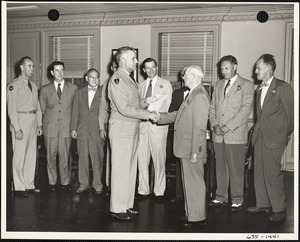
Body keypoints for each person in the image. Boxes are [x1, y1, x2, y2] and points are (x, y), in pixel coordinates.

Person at [107, 46, 158, 221]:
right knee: (121, 170)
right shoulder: (117, 79)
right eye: (133, 58)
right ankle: (118, 207)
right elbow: (124, 108)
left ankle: (126, 204)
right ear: (122, 60)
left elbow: (133, 103)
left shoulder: (128, 79)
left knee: (129, 170)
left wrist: (145, 102)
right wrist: (149, 114)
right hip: (122, 128)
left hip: (131, 128)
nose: (136, 61)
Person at [156, 65, 210, 228]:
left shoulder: (199, 96)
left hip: (191, 148)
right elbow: (178, 114)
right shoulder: (193, 94)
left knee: (195, 183)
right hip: (186, 146)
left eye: (186, 75)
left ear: (194, 77)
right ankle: (191, 213)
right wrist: (158, 117)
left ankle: (197, 217)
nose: (183, 78)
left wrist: (195, 151)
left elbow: (199, 127)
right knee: (189, 183)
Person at [247, 54, 294, 222]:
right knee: (258, 170)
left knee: (272, 172)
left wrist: (284, 135)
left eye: (258, 67)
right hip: (260, 136)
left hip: (275, 137)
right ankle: (263, 203)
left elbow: (291, 116)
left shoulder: (283, 87)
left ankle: (279, 208)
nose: (256, 70)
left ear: (268, 68)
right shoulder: (259, 89)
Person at [209, 55, 254, 212]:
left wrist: (227, 127)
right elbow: (212, 107)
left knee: (235, 168)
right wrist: (214, 124)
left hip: (235, 135)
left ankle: (237, 199)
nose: (223, 71)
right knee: (220, 167)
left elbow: (245, 111)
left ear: (235, 66)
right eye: (221, 68)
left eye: (226, 68)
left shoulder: (247, 85)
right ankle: (220, 196)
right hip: (218, 134)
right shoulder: (218, 85)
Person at [136, 57, 172, 202]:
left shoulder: (166, 84)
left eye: (153, 67)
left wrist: (157, 116)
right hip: (142, 127)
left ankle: (159, 191)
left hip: (158, 127)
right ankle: (143, 189)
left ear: (157, 68)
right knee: (142, 159)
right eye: (148, 68)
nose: (151, 70)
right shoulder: (141, 86)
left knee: (159, 159)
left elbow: (167, 105)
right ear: (143, 70)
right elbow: (138, 106)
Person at [7, 56, 43, 197]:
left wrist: (39, 123)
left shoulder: (33, 85)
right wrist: (17, 128)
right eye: (29, 66)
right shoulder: (13, 85)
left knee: (30, 155)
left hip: (32, 122)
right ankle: (19, 187)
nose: (32, 69)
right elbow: (11, 109)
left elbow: (37, 106)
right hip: (21, 121)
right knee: (19, 156)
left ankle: (29, 184)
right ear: (21, 67)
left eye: (32, 66)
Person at [39, 61, 77, 191]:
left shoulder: (73, 89)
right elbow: (42, 110)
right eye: (57, 70)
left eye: (62, 70)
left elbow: (75, 110)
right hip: (50, 128)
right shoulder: (44, 89)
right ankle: (52, 182)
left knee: (65, 157)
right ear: (52, 72)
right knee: (50, 156)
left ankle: (65, 182)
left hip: (66, 128)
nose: (60, 73)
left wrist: (74, 127)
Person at [71, 68, 105, 195]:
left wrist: (104, 128)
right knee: (83, 158)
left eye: (96, 77)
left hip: (97, 130)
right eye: (92, 77)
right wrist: (73, 128)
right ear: (86, 78)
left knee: (97, 159)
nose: (94, 79)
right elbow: (75, 111)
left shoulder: (103, 92)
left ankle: (97, 185)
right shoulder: (79, 92)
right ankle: (83, 184)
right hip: (82, 130)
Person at [167, 66, 189, 203]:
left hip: (192, 135)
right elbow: (171, 113)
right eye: (183, 75)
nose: (184, 77)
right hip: (178, 135)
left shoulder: (201, 93)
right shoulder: (176, 94)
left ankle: (191, 197)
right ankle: (179, 194)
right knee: (179, 164)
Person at [99, 60, 118, 196]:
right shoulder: (108, 84)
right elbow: (102, 110)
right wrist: (102, 127)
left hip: (128, 127)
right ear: (112, 68)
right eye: (115, 67)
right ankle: (109, 185)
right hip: (112, 124)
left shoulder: (131, 83)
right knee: (111, 156)